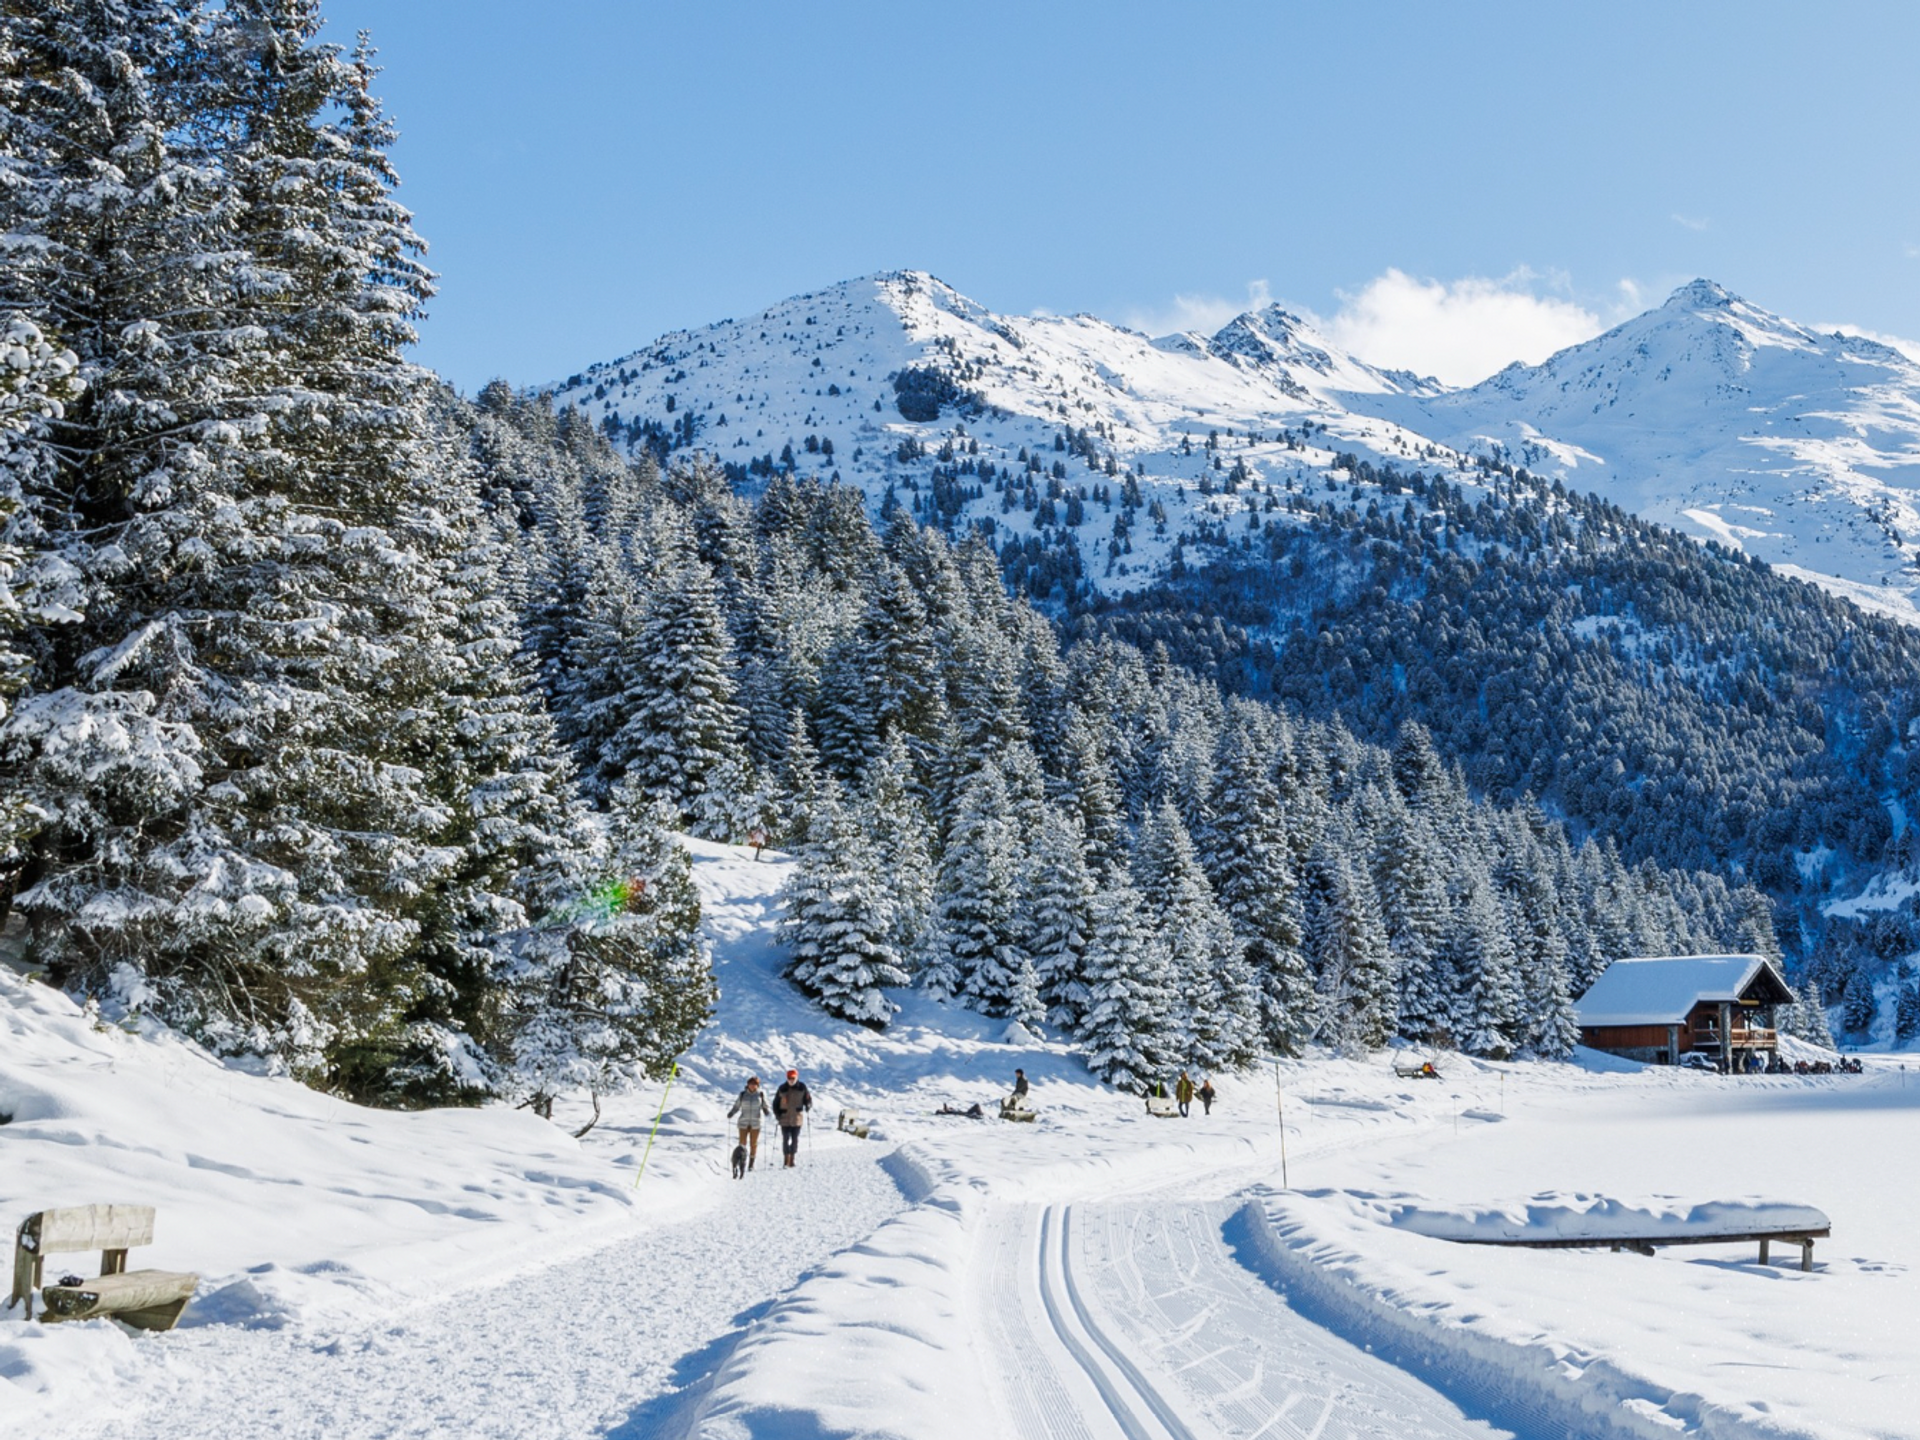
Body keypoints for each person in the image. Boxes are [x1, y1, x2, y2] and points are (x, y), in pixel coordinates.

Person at [726, 1076, 769, 1170]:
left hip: (756, 1123)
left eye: (755, 1084)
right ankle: (742, 1161)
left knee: (753, 1144)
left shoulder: (761, 1094)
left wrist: (766, 1110)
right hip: (743, 1122)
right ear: (748, 1084)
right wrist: (732, 1113)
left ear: (758, 1085)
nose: (753, 1086)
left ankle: (751, 1164)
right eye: (751, 1084)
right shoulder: (742, 1094)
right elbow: (737, 1106)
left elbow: (765, 1105)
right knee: (742, 1143)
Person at [772, 1068, 812, 1167]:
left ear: (796, 1077)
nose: (791, 1080)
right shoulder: (782, 1088)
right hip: (784, 1118)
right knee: (785, 1139)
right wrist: (777, 1114)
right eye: (789, 1078)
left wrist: (808, 1105)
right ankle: (786, 1160)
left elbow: (808, 1099)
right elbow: (775, 1103)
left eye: (793, 1078)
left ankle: (792, 1160)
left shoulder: (802, 1087)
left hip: (797, 1119)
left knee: (795, 1140)